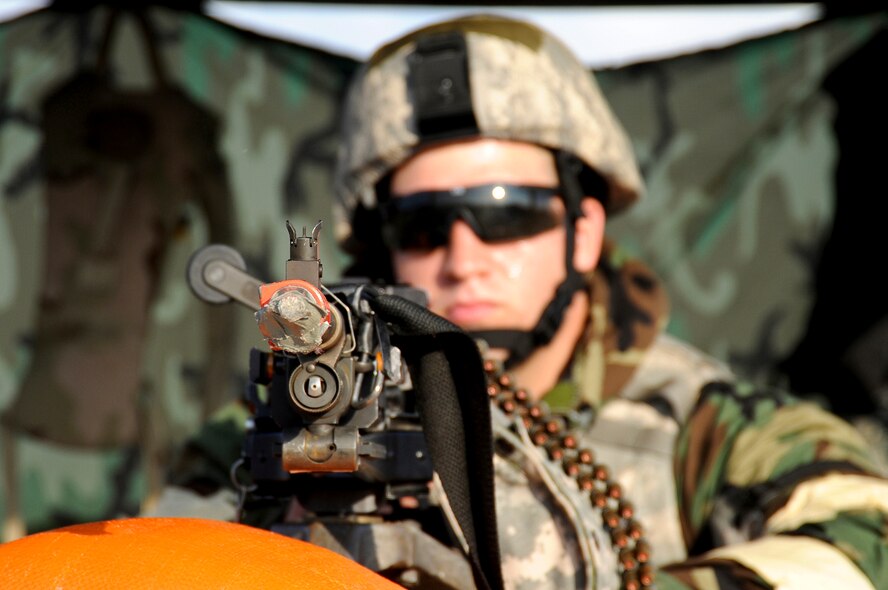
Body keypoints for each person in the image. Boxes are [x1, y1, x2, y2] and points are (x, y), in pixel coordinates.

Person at [157, 14, 888, 590]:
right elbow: (149, 559)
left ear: (584, 229)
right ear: (384, 249)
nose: (465, 259)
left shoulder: (704, 423)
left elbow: (865, 541)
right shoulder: (284, 425)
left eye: (509, 214)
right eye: (424, 224)